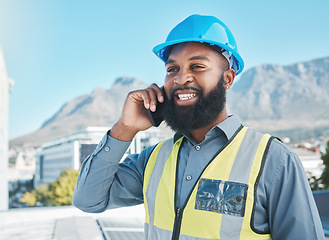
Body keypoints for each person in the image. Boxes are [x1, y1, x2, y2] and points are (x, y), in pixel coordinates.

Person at [73, 14, 325, 239]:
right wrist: (125, 128)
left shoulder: (274, 161)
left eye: (197, 66)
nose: (181, 78)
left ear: (227, 79)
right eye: (172, 69)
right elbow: (88, 200)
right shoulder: (153, 159)